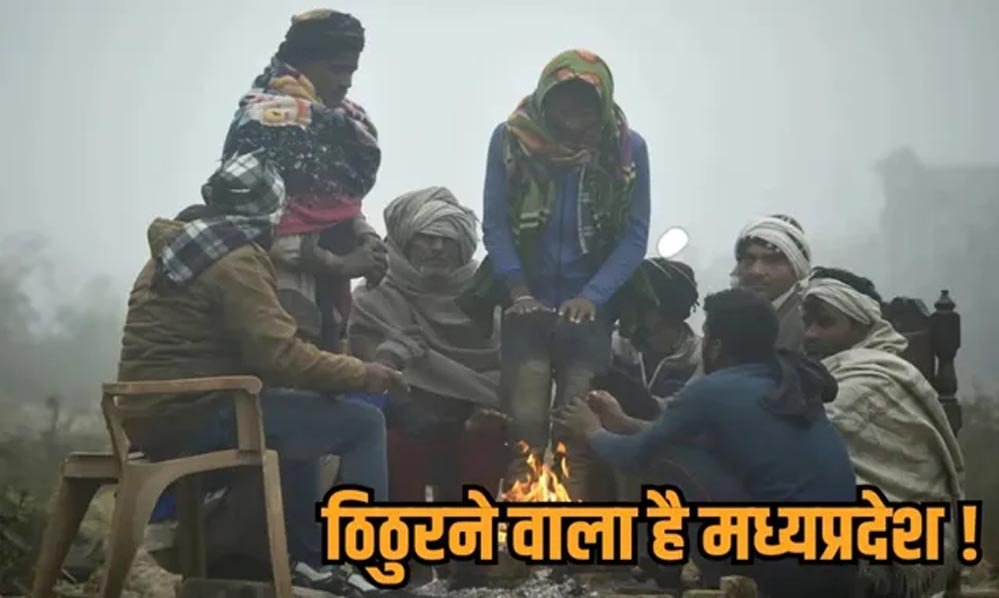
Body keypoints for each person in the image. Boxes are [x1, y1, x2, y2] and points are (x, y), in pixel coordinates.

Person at [116, 153, 402, 592]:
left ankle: (309, 564)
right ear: (270, 214)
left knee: (296, 418)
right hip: (198, 417)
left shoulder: (172, 254)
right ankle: (369, 568)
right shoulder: (236, 259)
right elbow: (281, 356)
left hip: (144, 417)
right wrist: (362, 373)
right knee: (364, 423)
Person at [557, 288, 857, 598]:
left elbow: (640, 456)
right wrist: (623, 423)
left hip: (783, 566)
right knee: (684, 451)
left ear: (715, 346)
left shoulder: (712, 391)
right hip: (840, 555)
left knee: (668, 457)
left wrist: (591, 431)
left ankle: (708, 571)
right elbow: (692, 437)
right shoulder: (787, 379)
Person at [459, 49, 651, 500]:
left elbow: (634, 236)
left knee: (576, 432)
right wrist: (517, 289)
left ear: (602, 105)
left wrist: (593, 296)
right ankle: (517, 526)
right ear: (545, 99)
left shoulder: (626, 148)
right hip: (526, 307)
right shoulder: (511, 140)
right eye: (563, 105)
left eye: (585, 107)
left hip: (590, 314)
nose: (573, 118)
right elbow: (496, 223)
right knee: (524, 427)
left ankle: (572, 528)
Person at [348, 186, 506, 588]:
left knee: (485, 436)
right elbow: (367, 371)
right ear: (406, 240)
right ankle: (409, 561)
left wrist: (480, 410)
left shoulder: (486, 295)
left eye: (447, 240)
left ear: (462, 246)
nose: (437, 248)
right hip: (406, 412)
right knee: (394, 441)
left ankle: (470, 560)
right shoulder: (374, 296)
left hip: (473, 411)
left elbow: (501, 368)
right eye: (427, 238)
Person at [221, 9, 387, 351]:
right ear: (303, 64)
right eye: (337, 69)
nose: (347, 81)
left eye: (352, 71)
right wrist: (343, 264)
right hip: (273, 289)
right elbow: (251, 229)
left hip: (328, 296)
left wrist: (367, 237)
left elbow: (336, 202)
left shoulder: (343, 121)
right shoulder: (262, 122)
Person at [802, 267, 966, 598]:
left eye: (825, 323)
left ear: (862, 326)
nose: (810, 334)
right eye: (807, 323)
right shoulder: (825, 374)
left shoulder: (875, 379)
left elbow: (802, 445)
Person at [732, 214, 811, 350]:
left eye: (772, 260)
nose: (756, 271)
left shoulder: (809, 324)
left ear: (796, 266)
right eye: (749, 259)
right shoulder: (732, 315)